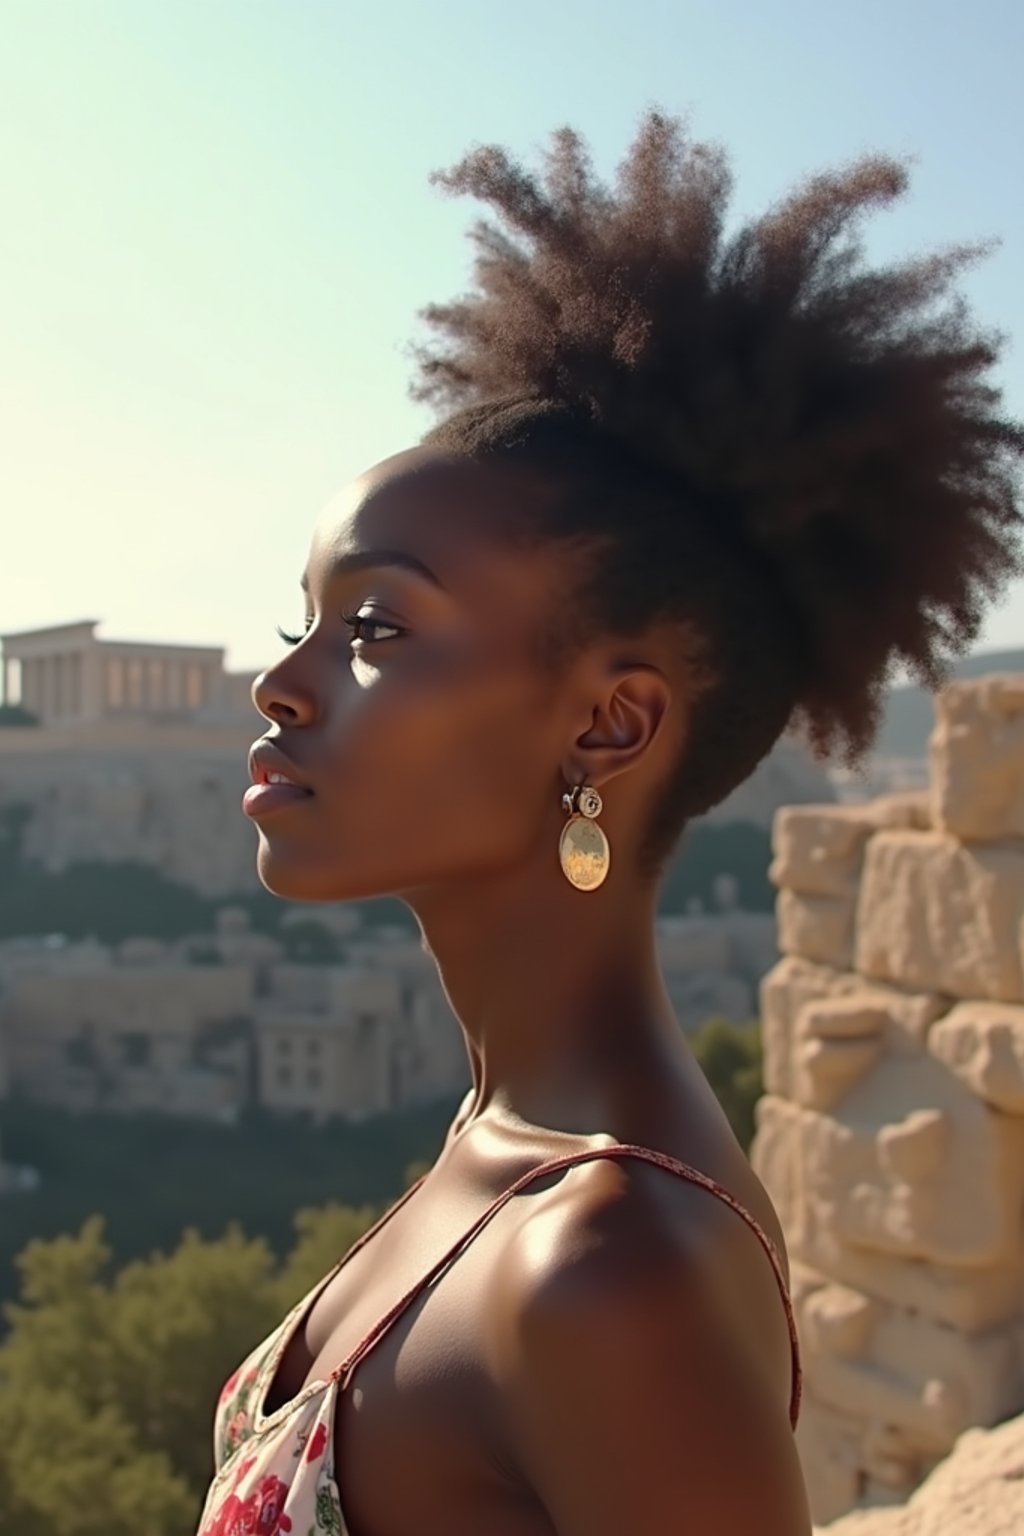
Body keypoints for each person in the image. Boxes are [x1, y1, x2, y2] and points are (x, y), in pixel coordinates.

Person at [197, 110, 1024, 1536]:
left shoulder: (608, 1269)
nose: (280, 685)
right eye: (306, 622)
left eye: (377, 627)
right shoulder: (510, 1138)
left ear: (610, 726)